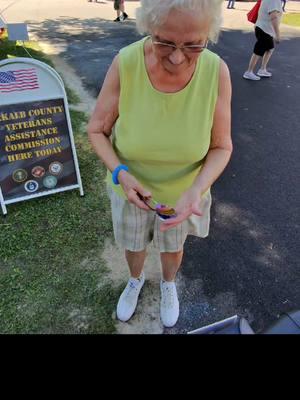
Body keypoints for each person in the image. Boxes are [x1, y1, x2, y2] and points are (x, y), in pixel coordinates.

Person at [87, 0, 232, 328]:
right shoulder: (125, 64)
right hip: (132, 188)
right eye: (165, 42)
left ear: (208, 34)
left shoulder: (216, 71)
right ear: (148, 29)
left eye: (194, 44)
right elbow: (96, 130)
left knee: (173, 247)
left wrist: (196, 189)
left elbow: (222, 146)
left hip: (183, 196)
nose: (178, 57)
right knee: (133, 245)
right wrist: (120, 173)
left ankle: (168, 284)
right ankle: (135, 280)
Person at [243, 0, 282, 81]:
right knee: (259, 50)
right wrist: (277, 34)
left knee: (270, 48)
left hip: (263, 28)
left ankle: (262, 70)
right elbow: (273, 17)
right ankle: (249, 72)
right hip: (264, 29)